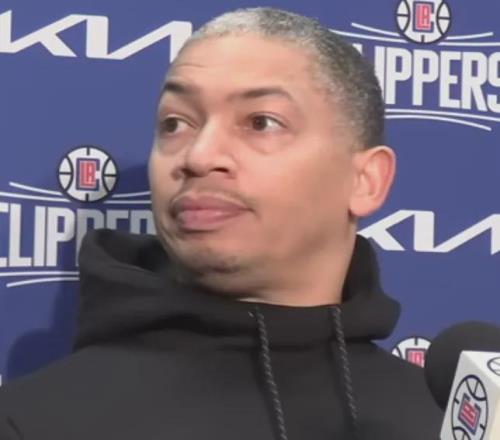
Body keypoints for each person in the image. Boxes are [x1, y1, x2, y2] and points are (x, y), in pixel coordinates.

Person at [0, 7, 442, 440]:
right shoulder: (32, 421)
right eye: (175, 123)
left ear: (365, 181)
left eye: (261, 123)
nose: (199, 155)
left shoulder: (445, 419)